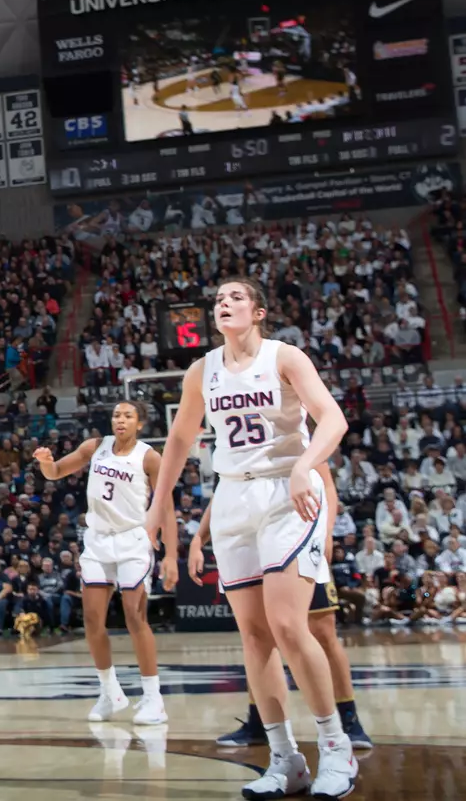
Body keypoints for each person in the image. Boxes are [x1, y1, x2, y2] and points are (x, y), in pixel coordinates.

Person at [147, 279, 356, 799]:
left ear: (259, 311)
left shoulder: (286, 357)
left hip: (289, 493)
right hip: (234, 498)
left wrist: (307, 466)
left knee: (288, 624)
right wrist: (157, 504)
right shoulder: (203, 371)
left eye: (235, 297)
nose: (223, 302)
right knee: (255, 636)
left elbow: (334, 418)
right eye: (218, 298)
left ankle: (336, 747)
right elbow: (179, 440)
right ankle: (285, 760)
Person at [179, 477, 373, 751]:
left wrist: (326, 531)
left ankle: (349, 720)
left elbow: (326, 482)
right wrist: (200, 536)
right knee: (257, 636)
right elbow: (228, 486)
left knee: (322, 633)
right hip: (258, 537)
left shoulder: (296, 435)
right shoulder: (234, 445)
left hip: (299, 532)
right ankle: (260, 720)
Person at [33, 401, 165, 725]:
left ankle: (153, 698)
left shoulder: (149, 456)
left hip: (133, 539)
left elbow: (164, 503)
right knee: (92, 621)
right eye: (117, 415)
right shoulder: (95, 446)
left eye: (128, 416)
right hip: (98, 540)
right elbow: (56, 472)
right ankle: (110, 692)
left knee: (136, 618)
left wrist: (162, 539)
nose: (120, 420)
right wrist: (46, 464)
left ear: (140, 424)